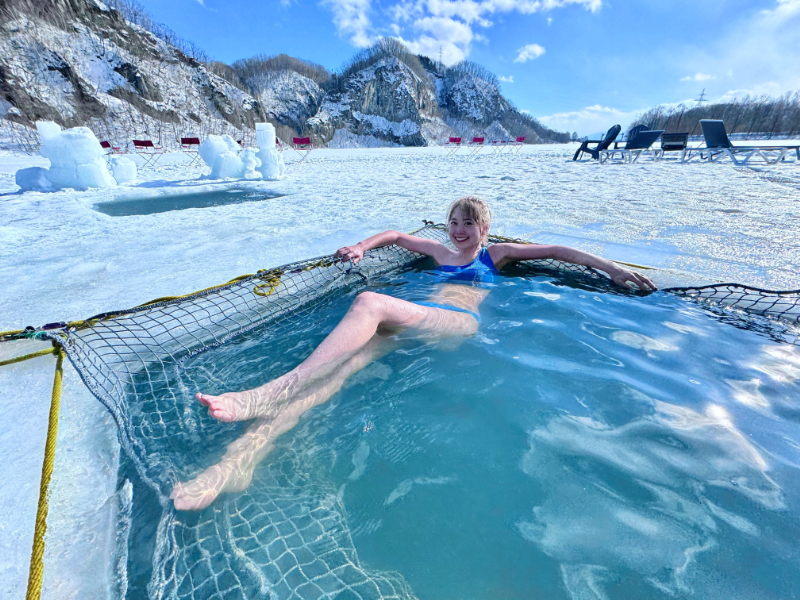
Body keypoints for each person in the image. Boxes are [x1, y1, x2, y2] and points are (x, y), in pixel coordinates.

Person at [170, 196, 656, 510]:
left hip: (457, 323)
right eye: (454, 222)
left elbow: (558, 252)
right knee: (335, 373)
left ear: (485, 228)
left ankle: (270, 391)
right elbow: (397, 236)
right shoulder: (440, 253)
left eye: (468, 223)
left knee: (370, 301)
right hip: (415, 322)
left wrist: (611, 269)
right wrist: (363, 246)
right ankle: (236, 463)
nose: (459, 230)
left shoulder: (496, 255)